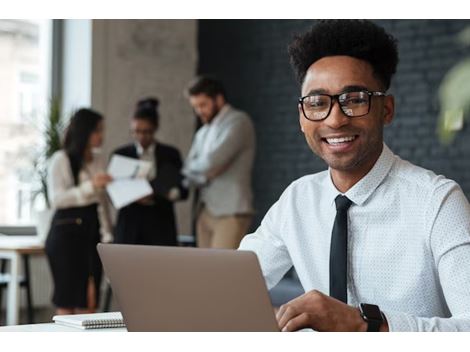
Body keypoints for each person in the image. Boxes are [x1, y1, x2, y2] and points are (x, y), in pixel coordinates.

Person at [239, 20, 470, 332]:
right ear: (302, 117)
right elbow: (233, 282)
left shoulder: (438, 201)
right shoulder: (297, 199)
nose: (335, 120)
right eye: (317, 103)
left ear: (386, 109)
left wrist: (363, 325)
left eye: (355, 99)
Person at [45, 108, 113, 315]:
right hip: (66, 235)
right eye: (97, 130)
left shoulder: (98, 160)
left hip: (92, 233)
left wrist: (108, 234)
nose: (101, 135)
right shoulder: (61, 159)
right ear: (85, 131)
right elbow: (57, 199)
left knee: (90, 300)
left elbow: (102, 203)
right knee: (67, 300)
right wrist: (90, 186)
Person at [183, 76, 256, 249]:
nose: (199, 111)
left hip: (231, 211)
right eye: (195, 107)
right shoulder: (204, 131)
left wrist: (203, 168)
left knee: (222, 272)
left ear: (219, 99)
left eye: (203, 105)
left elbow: (211, 162)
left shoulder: (239, 121)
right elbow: (187, 167)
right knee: (205, 272)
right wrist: (205, 173)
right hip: (205, 210)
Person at [113, 98, 188, 246]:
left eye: (146, 132)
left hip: (161, 223)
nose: (141, 137)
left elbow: (184, 190)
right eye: (136, 132)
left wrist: (169, 193)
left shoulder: (170, 154)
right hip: (130, 225)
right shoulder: (121, 154)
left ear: (155, 128)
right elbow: (113, 192)